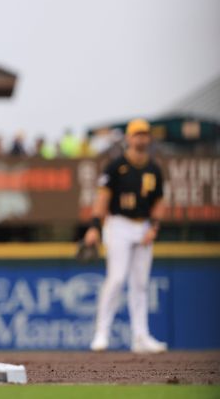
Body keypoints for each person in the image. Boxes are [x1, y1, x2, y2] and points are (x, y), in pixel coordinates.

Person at [84, 119, 167, 354]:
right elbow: (102, 199)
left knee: (140, 283)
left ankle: (140, 337)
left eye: (144, 134)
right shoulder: (116, 166)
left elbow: (159, 201)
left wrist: (154, 227)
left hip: (143, 226)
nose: (141, 138)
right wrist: (93, 227)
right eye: (136, 134)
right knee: (117, 278)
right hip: (118, 224)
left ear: (149, 138)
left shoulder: (154, 169)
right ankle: (101, 333)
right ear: (129, 138)